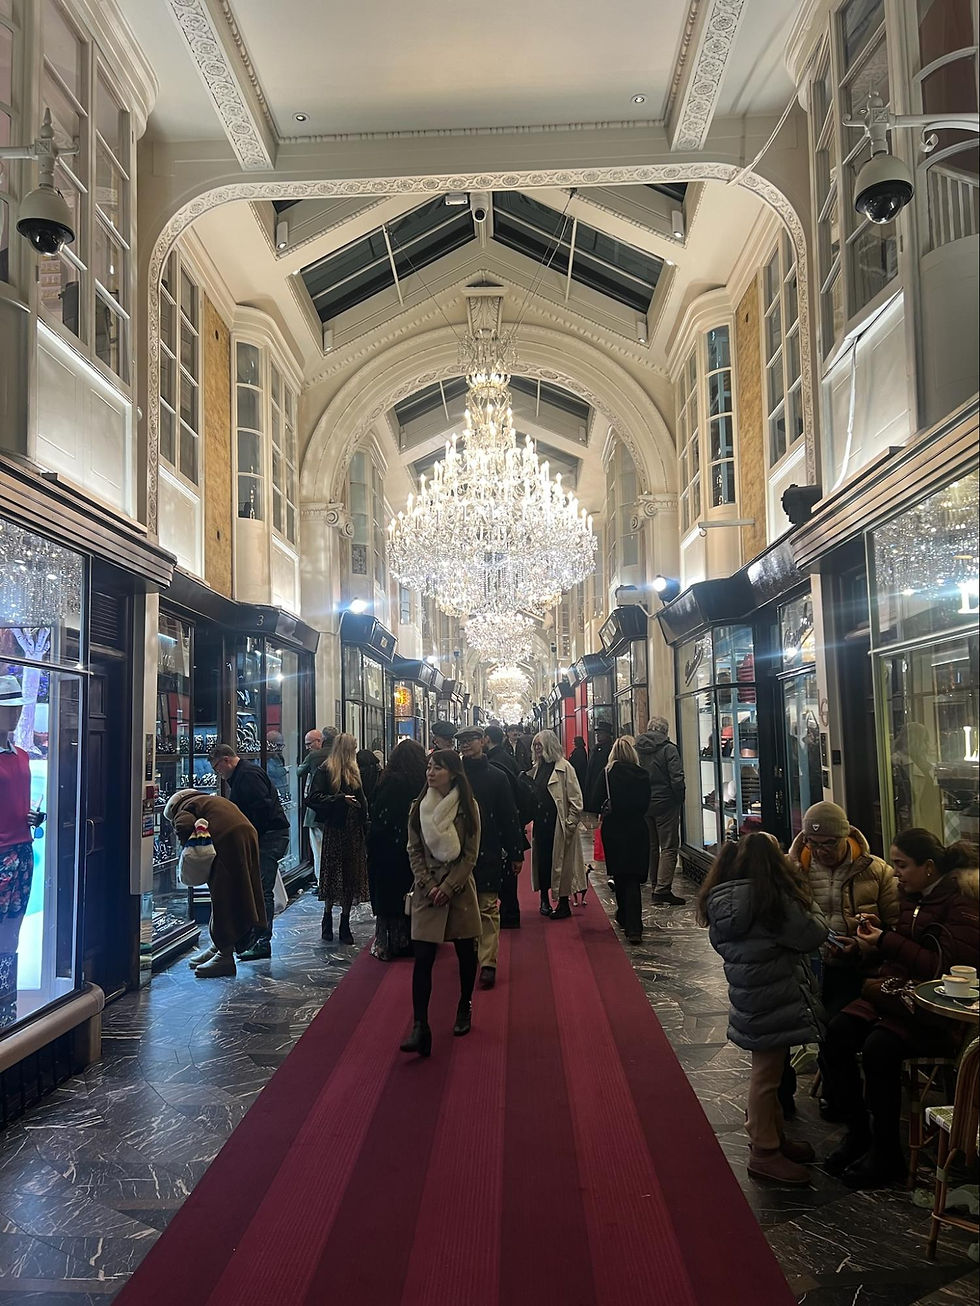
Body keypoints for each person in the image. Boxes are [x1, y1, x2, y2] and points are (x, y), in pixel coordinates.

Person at [820, 830, 979, 1190]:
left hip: (937, 1011)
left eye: (902, 865)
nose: (895, 873)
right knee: (836, 1034)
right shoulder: (911, 896)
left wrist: (886, 940)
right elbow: (904, 946)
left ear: (929, 867)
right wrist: (865, 946)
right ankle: (859, 1133)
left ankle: (886, 1151)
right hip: (894, 995)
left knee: (879, 1050)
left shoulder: (962, 902)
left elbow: (947, 968)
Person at [697, 833, 828, 1185]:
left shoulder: (725, 900)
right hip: (775, 994)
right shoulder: (773, 901)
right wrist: (806, 897)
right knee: (766, 1076)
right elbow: (813, 933)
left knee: (768, 1070)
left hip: (751, 996)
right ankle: (764, 1151)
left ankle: (773, 1136)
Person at [788, 800, 900, 1118]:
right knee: (790, 1022)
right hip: (809, 967)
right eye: (814, 842)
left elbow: (895, 926)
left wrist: (864, 944)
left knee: (836, 1026)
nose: (822, 850)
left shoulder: (876, 870)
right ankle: (822, 1096)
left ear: (845, 836)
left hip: (859, 970)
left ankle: (845, 1101)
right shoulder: (797, 870)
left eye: (829, 843)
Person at [401, 749, 481, 1057]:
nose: (430, 773)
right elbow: (413, 850)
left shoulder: (468, 807)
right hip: (427, 891)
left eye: (437, 768)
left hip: (458, 889)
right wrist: (429, 884)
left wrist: (449, 886)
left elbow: (471, 854)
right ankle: (420, 1025)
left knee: (465, 952)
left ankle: (464, 1004)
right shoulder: (418, 808)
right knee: (422, 959)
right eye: (429, 767)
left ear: (453, 773)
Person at [165, 789, 267, 978]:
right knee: (244, 889)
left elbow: (184, 825)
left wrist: (187, 847)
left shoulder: (184, 809)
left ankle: (224, 955)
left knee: (223, 897)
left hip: (227, 844)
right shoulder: (207, 800)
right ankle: (217, 946)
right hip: (246, 837)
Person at [456, 726, 525, 990]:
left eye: (470, 740)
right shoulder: (453, 776)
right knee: (465, 907)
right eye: (461, 741)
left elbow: (509, 817)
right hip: (459, 853)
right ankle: (471, 949)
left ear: (483, 741)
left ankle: (488, 962)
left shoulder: (497, 777)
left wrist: (515, 852)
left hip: (489, 849)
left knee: (486, 906)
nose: (465, 745)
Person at [209, 743, 289, 961]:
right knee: (260, 888)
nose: (219, 774)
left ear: (226, 760)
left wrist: (251, 836)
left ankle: (263, 941)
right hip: (267, 836)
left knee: (263, 890)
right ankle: (255, 938)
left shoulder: (247, 776)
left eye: (218, 768)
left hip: (269, 837)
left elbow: (261, 810)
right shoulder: (244, 774)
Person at [0, 677, 44, 1027]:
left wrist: (30, 815)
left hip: (23, 848)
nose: (13, 716)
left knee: (14, 924)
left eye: (16, 709)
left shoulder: (23, 757)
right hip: (1, 852)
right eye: (7, 709)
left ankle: (6, 996)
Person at [367, 739, 427, 961]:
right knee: (409, 893)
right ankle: (409, 939)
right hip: (413, 846)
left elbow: (380, 814)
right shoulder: (422, 780)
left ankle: (387, 941)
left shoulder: (390, 780)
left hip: (387, 848)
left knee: (388, 897)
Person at [307, 733, 369, 944]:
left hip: (353, 831)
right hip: (336, 829)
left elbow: (363, 799)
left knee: (350, 876)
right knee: (333, 875)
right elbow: (313, 798)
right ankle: (327, 919)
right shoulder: (326, 769)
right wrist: (340, 799)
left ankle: (344, 922)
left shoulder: (354, 770)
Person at [529, 729, 585, 919]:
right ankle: (544, 899)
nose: (537, 749)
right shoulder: (538, 767)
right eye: (535, 745)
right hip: (541, 824)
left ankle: (562, 903)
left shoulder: (564, 767)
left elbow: (576, 798)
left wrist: (570, 822)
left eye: (540, 745)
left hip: (558, 824)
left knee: (562, 864)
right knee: (543, 862)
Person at [600, 736, 651, 945]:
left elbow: (594, 799)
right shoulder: (643, 775)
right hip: (637, 828)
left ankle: (628, 921)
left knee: (621, 874)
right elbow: (646, 804)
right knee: (632, 877)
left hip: (614, 829)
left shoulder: (607, 774)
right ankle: (631, 922)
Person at [635, 715, 687, 906]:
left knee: (651, 846)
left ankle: (655, 882)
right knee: (668, 846)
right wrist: (679, 799)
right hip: (666, 803)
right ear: (664, 731)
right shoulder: (669, 749)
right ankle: (663, 889)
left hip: (644, 803)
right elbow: (677, 778)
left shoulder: (637, 749)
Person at [298, 728, 332, 884]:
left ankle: (322, 882)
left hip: (315, 809)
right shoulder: (340, 756)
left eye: (309, 743)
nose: (307, 747)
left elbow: (299, 772)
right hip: (335, 809)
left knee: (318, 848)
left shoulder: (313, 757)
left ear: (320, 741)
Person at [583, 720, 614, 817]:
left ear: (607, 735)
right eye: (597, 733)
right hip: (593, 786)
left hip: (602, 787)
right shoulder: (595, 749)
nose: (598, 735)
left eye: (600, 733)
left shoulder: (609, 749)